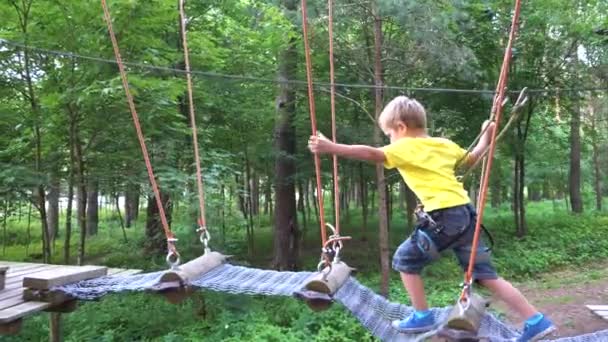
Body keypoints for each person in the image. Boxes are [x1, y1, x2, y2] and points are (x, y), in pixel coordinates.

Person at [307, 96, 556, 341]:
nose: (389, 141)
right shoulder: (444, 144)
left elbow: (372, 154)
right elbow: (475, 157)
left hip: (444, 216)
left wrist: (332, 148)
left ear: (401, 128)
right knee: (486, 276)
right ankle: (536, 321)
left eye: (389, 135)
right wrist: (486, 134)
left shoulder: (405, 146)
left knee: (404, 260)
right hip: (466, 216)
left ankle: (422, 315)